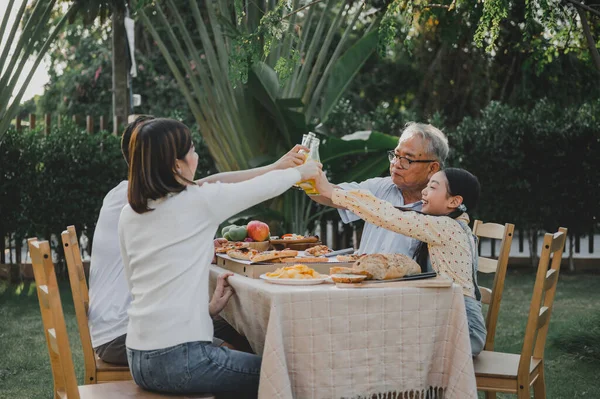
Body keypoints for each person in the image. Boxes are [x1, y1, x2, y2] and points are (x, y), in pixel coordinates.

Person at [118, 118, 321, 395]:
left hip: (139, 358)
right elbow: (259, 189)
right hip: (182, 360)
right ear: (176, 164)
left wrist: (205, 311)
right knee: (285, 379)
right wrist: (303, 172)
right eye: (190, 149)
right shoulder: (196, 203)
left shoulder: (130, 213)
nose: (196, 155)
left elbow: (141, 287)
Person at [313, 167, 487, 356]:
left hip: (465, 330)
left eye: (433, 187)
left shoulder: (447, 228)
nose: (424, 191)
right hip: (452, 320)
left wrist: (332, 192)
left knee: (383, 342)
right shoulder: (451, 226)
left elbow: (389, 215)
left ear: (454, 201)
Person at [310, 123, 449, 261]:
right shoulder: (381, 186)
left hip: (407, 283)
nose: (396, 164)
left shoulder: (440, 209)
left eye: (407, 159)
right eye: (396, 155)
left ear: (432, 168)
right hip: (361, 277)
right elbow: (328, 194)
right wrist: (304, 176)